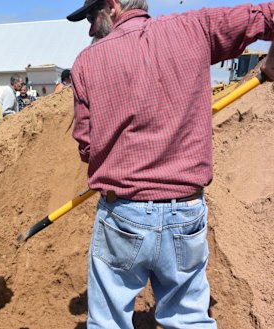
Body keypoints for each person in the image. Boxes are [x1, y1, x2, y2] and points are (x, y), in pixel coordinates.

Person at [66, 0, 274, 328]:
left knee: (108, 321)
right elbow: (268, 14)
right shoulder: (195, 28)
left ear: (113, 5)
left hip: (122, 213)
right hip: (186, 213)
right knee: (188, 318)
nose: (91, 27)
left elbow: (87, 146)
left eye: (92, 16)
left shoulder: (87, 62)